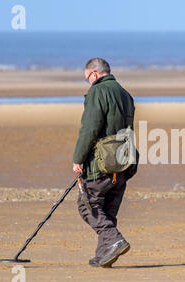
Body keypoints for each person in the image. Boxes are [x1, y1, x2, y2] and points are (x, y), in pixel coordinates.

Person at [73, 58, 137, 268]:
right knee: (107, 211)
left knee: (88, 207)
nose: (88, 84)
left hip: (100, 165)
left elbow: (89, 128)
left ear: (93, 74)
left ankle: (114, 240)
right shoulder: (125, 94)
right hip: (123, 163)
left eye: (87, 79)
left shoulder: (97, 92)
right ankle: (103, 255)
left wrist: (78, 159)